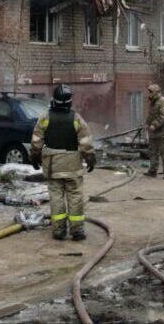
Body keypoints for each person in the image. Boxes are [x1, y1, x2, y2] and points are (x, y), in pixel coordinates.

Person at [30, 84, 96, 241]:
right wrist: (90, 158)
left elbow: (36, 141)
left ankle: (59, 230)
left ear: (54, 101)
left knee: (56, 196)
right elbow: (85, 143)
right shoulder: (76, 118)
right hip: (72, 165)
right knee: (75, 196)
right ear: (69, 102)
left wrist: (34, 157)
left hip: (53, 165)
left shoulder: (45, 117)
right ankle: (77, 231)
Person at [144, 82, 164, 178]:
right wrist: (147, 124)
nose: (149, 94)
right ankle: (152, 171)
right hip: (153, 133)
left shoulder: (163, 101)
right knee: (153, 152)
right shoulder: (153, 102)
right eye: (149, 92)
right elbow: (151, 115)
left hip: (162, 133)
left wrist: (154, 125)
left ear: (156, 92)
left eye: (151, 92)